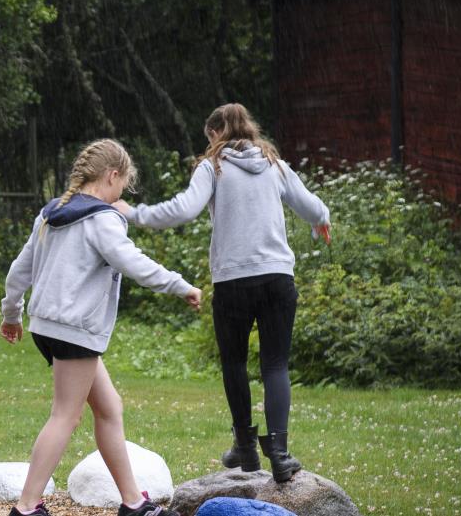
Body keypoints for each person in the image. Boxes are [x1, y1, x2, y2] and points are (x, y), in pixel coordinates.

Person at [114, 103, 330, 484]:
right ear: (249, 129)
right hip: (278, 278)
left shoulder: (213, 166)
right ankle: (279, 453)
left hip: (234, 282)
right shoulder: (275, 165)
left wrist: (134, 214)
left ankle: (245, 447)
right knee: (275, 365)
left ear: (216, 134)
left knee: (234, 363)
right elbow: (313, 207)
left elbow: (184, 209)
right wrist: (320, 225)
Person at [1, 139, 203, 516]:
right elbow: (133, 262)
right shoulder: (101, 218)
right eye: (123, 184)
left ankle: (132, 503)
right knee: (66, 415)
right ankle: (27, 508)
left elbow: (19, 271)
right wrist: (181, 285)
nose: (120, 193)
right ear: (112, 175)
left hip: (49, 325)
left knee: (109, 407)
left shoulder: (50, 213)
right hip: (74, 328)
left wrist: (12, 314)